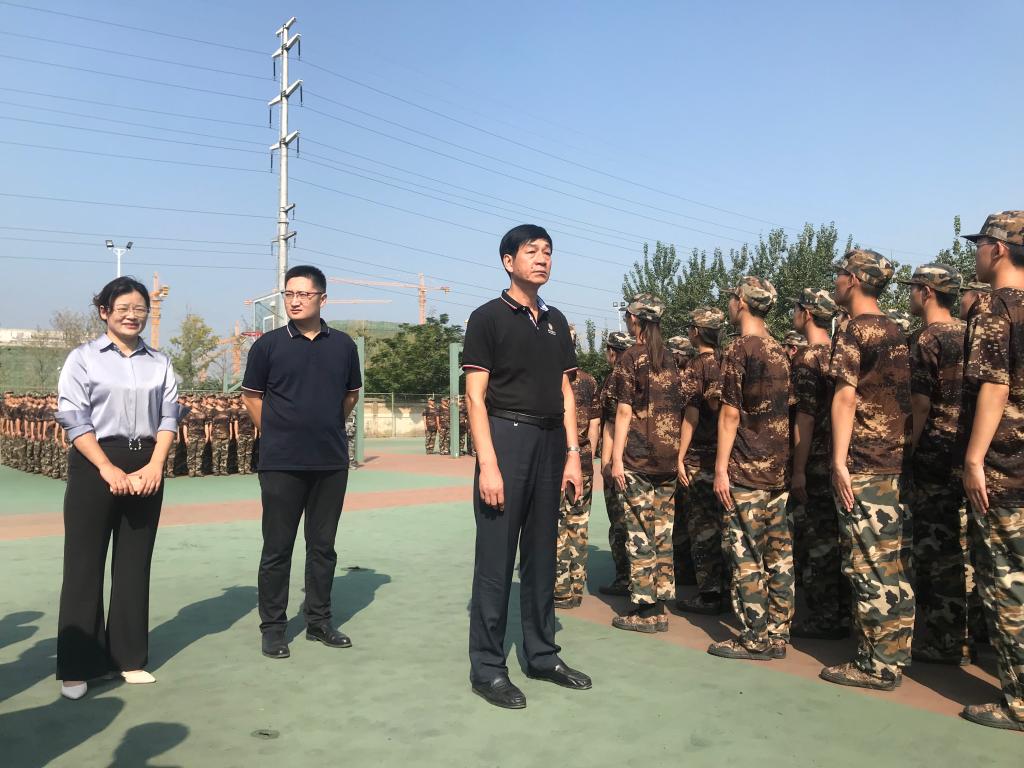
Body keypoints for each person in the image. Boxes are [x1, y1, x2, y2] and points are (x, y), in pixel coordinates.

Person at [462, 224, 590, 709]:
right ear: (507, 261)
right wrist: (489, 465)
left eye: (548, 252)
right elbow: (475, 397)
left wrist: (573, 455)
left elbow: (565, 391)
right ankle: (488, 668)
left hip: (551, 443)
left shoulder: (556, 321)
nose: (541, 259)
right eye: (531, 251)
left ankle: (541, 655)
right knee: (496, 560)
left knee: (541, 555)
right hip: (506, 438)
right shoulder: (487, 318)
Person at [53, 276, 181, 700]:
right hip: (95, 461)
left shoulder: (160, 363)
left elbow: (169, 417)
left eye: (139, 308)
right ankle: (78, 666)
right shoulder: (83, 359)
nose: (132, 315)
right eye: (123, 308)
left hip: (146, 462)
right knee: (84, 564)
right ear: (104, 311)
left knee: (133, 563)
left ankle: (128, 657)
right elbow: (74, 418)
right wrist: (106, 467)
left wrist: (156, 465)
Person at [241, 265, 362, 660]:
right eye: (289, 294)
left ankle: (319, 621)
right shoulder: (268, 346)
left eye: (303, 294)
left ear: (322, 299)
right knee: (278, 547)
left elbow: (350, 395)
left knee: (323, 547)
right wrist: (276, 432)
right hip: (281, 462)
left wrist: (325, 426)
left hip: (330, 462)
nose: (294, 301)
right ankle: (273, 628)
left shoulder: (343, 346)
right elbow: (252, 397)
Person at [824, 248, 914, 691]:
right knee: (890, 563)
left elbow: (846, 397)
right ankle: (893, 654)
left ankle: (877, 666)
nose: (836, 281)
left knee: (868, 566)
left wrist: (839, 461)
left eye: (840, 274)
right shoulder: (896, 329)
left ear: (855, 280)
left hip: (863, 462)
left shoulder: (854, 330)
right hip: (892, 462)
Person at [959, 211, 1024, 731]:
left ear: (998, 248)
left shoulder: (996, 307)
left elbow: (996, 386)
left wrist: (975, 458)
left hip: (1005, 467)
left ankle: (1019, 703)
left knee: (1008, 587)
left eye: (979, 244)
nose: (976, 253)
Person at [709, 277, 793, 661]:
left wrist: (720, 469)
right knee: (779, 555)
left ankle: (754, 637)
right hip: (777, 470)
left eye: (731, 297)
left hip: (746, 469)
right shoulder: (780, 350)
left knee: (745, 554)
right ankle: (778, 633)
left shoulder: (739, 348)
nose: (730, 303)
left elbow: (730, 414)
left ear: (741, 302)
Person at [898, 264, 971, 664]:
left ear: (926, 292)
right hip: (966, 454)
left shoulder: (927, 339)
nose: (910, 295)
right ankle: (962, 635)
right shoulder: (968, 333)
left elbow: (920, 404)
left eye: (913, 288)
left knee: (934, 549)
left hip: (933, 458)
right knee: (960, 548)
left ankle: (944, 641)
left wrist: (908, 450)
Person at [609, 293, 682, 633]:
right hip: (667, 458)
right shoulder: (670, 358)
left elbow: (624, 410)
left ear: (635, 320)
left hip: (638, 457)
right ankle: (662, 605)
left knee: (640, 532)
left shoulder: (631, 357)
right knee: (663, 533)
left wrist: (615, 459)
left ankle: (645, 609)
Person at [788, 289, 848, 639]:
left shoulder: (808, 358)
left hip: (816, 461)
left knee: (820, 541)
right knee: (839, 538)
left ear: (807, 314)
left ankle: (826, 618)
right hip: (840, 459)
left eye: (796, 309)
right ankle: (842, 612)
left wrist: (798, 470)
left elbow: (805, 418)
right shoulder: (838, 351)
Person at [675, 307, 727, 615]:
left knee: (703, 527)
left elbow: (691, 415)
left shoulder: (697, 366)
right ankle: (726, 588)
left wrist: (680, 455)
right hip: (726, 457)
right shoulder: (726, 360)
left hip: (700, 458)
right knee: (724, 526)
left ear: (696, 332)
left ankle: (709, 594)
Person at [553, 347, 600, 609]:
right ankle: (577, 587)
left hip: (557, 461)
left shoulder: (548, 376)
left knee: (556, 526)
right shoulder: (589, 380)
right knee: (579, 525)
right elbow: (595, 424)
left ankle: (560, 589)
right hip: (582, 461)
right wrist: (587, 453)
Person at [597, 331, 635, 595]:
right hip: (641, 457)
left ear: (612, 352)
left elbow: (611, 423)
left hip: (620, 457)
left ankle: (624, 578)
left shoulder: (616, 378)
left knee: (620, 522)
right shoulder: (645, 371)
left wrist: (607, 462)